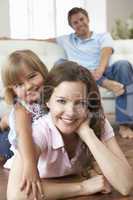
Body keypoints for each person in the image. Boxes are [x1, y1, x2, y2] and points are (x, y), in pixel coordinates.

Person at [7, 61, 133, 200]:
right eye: (61, 101)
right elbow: (16, 195)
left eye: (80, 103)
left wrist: (87, 134)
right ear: (47, 101)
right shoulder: (39, 131)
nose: (70, 112)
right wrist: (82, 187)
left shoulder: (98, 122)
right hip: (12, 155)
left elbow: (125, 185)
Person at [46, 7, 133, 139]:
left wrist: (99, 71)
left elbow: (106, 51)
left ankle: (125, 124)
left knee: (124, 65)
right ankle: (106, 83)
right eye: (75, 22)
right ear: (71, 26)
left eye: (82, 19)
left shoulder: (102, 36)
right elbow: (42, 40)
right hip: (80, 73)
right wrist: (8, 38)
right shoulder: (65, 39)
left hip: (102, 69)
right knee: (60, 63)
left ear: (88, 19)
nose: (80, 23)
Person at [1, 49, 48, 199]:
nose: (28, 86)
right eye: (19, 85)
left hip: (34, 140)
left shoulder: (52, 95)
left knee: (10, 119)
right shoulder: (21, 107)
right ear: (12, 91)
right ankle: (4, 122)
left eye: (32, 76)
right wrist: (30, 166)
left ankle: (4, 121)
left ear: (42, 71)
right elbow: (23, 134)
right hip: (12, 145)